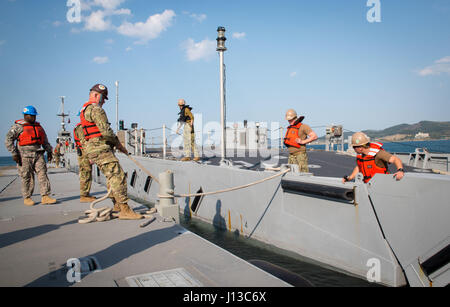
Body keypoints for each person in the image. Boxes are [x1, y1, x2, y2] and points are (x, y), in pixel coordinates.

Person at [79, 83, 142, 220]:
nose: (103, 103)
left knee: (110, 178)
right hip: (100, 148)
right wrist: (119, 145)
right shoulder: (96, 110)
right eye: (102, 99)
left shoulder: (84, 110)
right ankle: (124, 209)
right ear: (96, 95)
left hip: (93, 148)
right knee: (117, 176)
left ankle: (117, 206)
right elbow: (106, 132)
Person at [4, 106, 57, 206]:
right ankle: (27, 197)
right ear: (25, 115)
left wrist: (49, 152)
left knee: (43, 174)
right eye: (31, 116)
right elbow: (8, 139)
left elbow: (45, 141)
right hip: (24, 156)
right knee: (27, 176)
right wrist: (14, 153)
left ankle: (45, 196)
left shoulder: (39, 127)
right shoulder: (18, 127)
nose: (33, 118)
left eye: (34, 116)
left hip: (38, 154)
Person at [73, 122, 96, 203]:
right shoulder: (81, 128)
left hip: (85, 153)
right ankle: (83, 195)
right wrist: (90, 156)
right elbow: (84, 143)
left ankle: (86, 194)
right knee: (85, 174)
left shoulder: (84, 127)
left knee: (88, 173)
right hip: (84, 154)